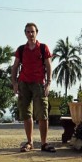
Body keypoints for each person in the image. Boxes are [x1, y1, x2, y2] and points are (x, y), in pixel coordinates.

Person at [11, 22, 55, 152]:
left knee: (42, 113)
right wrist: (14, 83)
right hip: (24, 83)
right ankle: (29, 142)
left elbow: (49, 66)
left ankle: (44, 143)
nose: (30, 34)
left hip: (39, 84)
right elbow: (15, 67)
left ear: (37, 32)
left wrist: (48, 83)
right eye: (28, 32)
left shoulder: (43, 48)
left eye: (32, 32)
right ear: (25, 33)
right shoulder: (21, 49)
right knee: (26, 114)